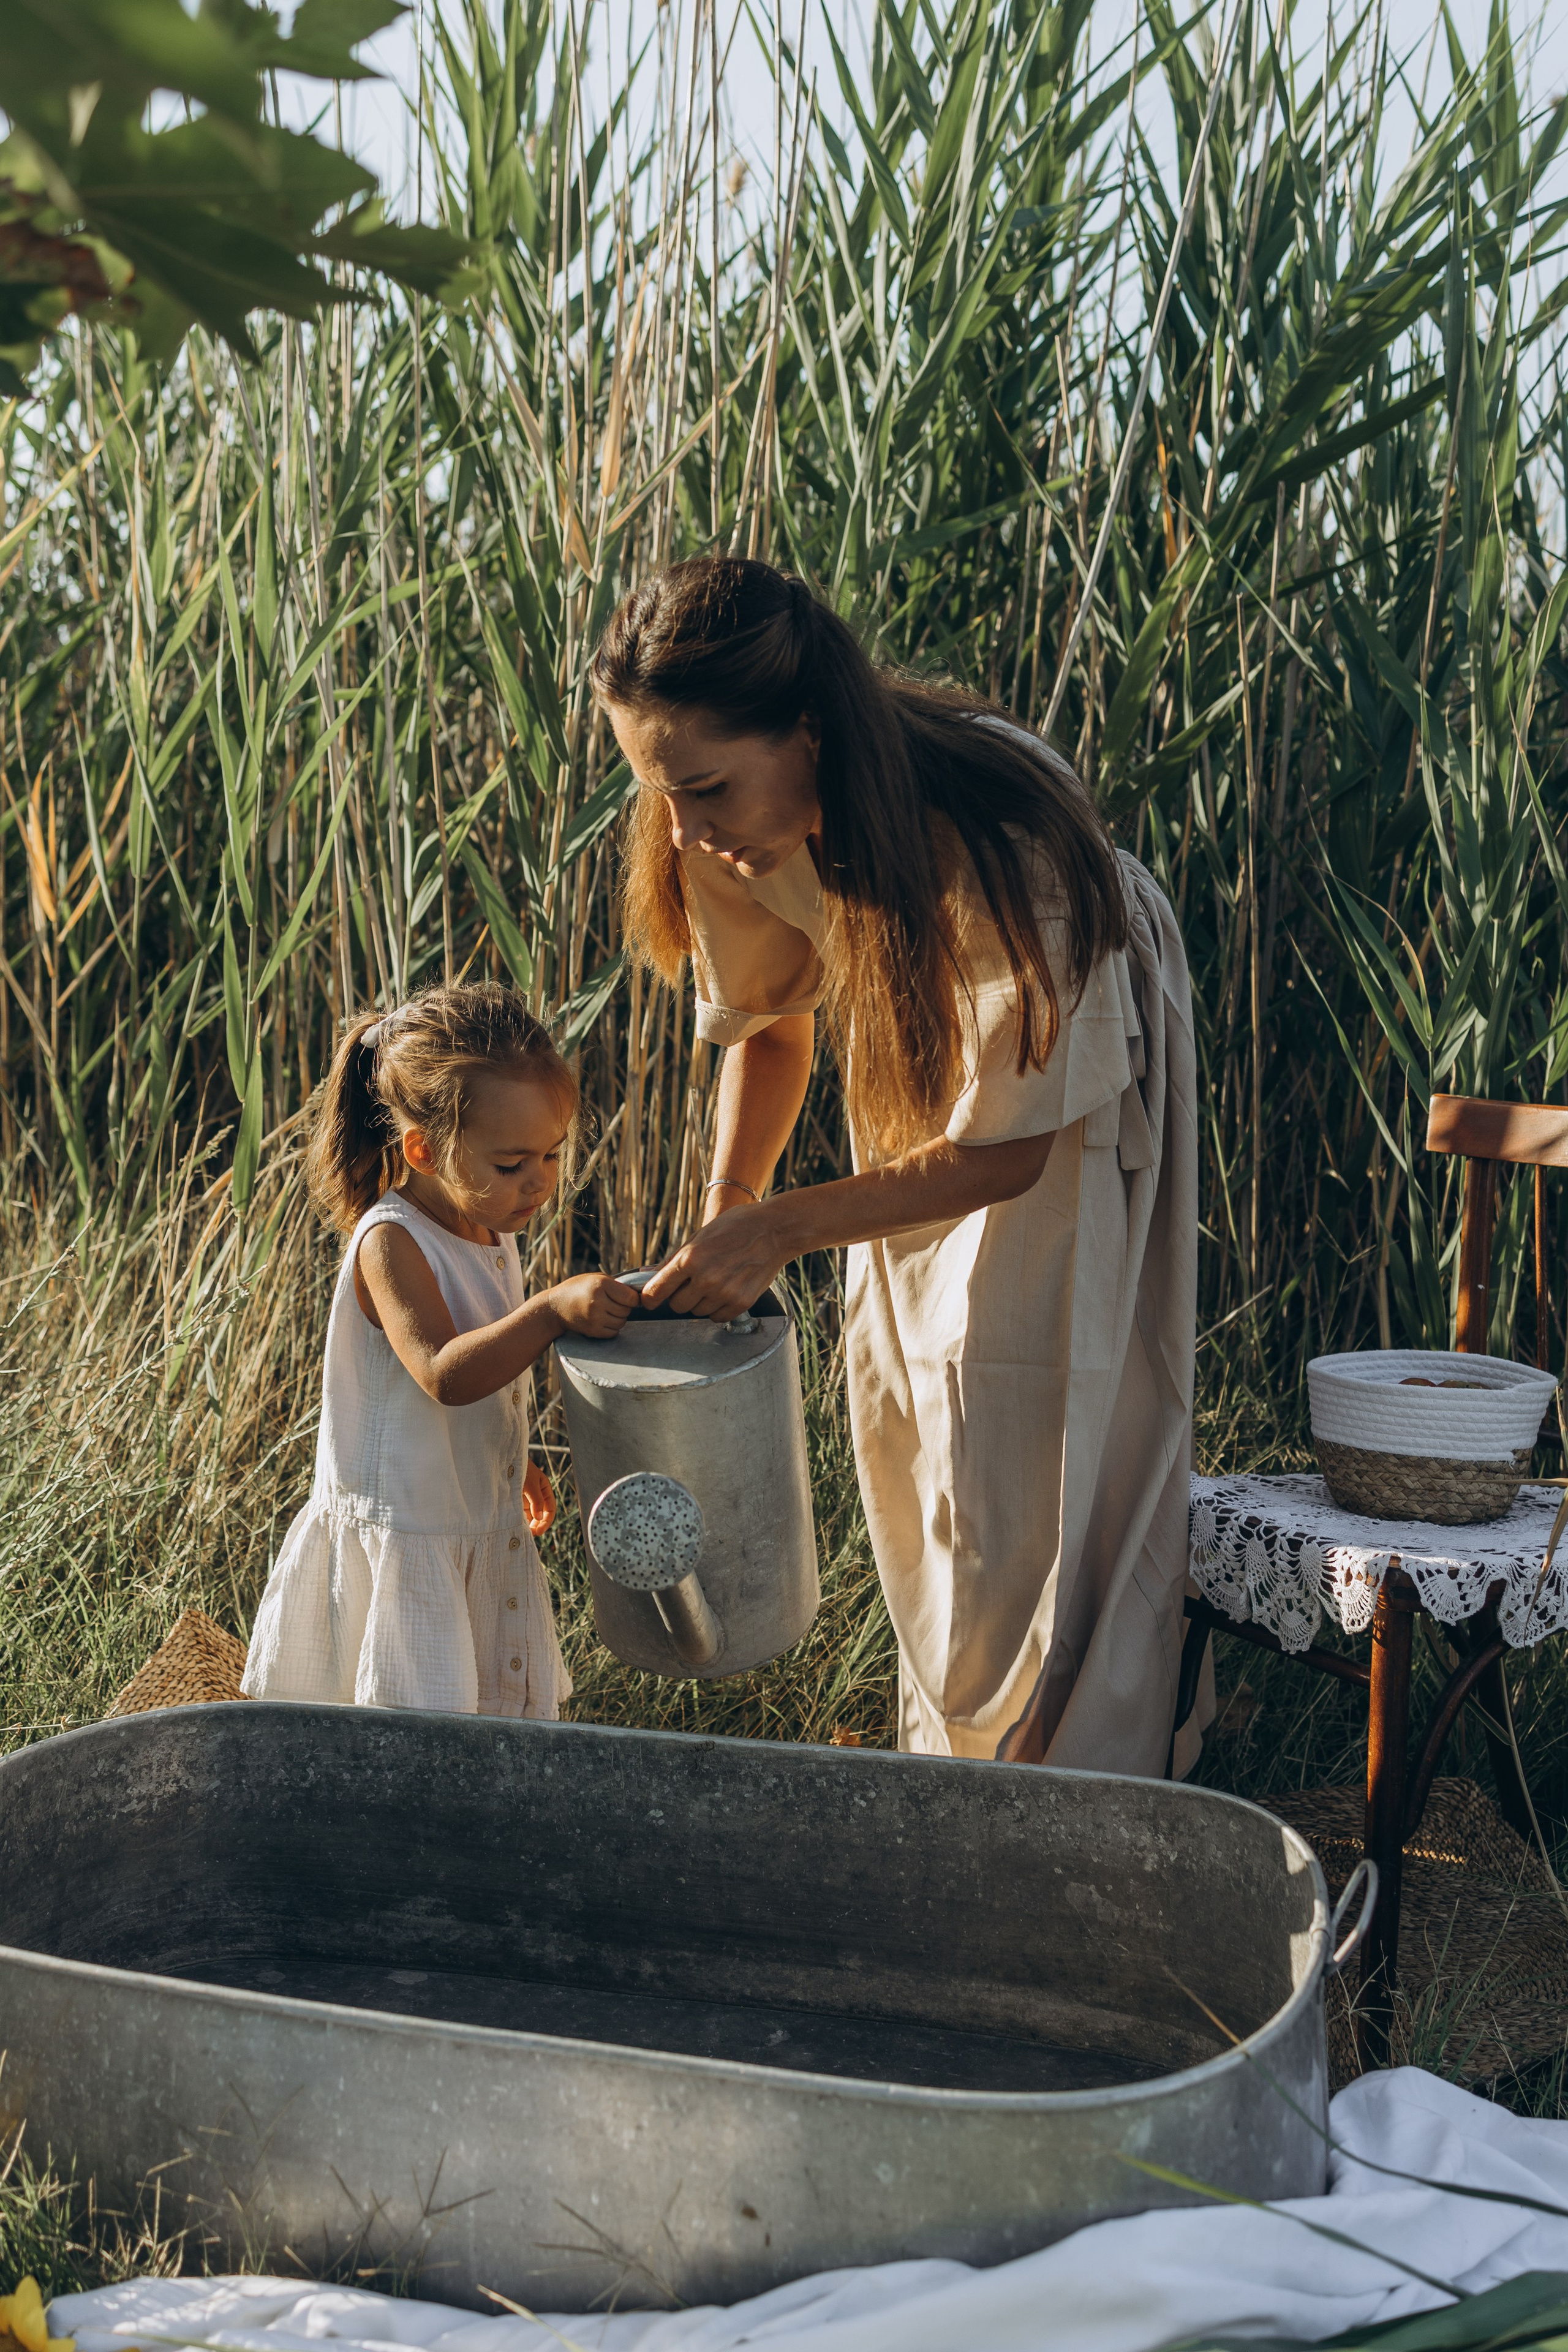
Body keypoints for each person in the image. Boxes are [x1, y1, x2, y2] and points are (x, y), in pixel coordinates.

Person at [591, 558, 1201, 1774]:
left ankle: (1076, 1796)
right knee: (920, 1404)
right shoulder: (717, 820)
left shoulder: (1003, 831)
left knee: (1036, 1423)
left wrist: (779, 1233)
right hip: (922, 1069)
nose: (683, 830)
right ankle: (959, 1778)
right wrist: (732, 1209)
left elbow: (1008, 1150)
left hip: (1061, 1089)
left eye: (704, 788)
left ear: (807, 735)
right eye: (658, 792)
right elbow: (768, 1024)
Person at [243, 983, 638, 1718]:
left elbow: (481, 1380)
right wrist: (550, 1311)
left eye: (552, 1155)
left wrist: (506, 1458)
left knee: (478, 1722)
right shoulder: (390, 1241)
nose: (540, 1181)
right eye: (513, 1161)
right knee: (412, 1728)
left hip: (467, 1518)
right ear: (424, 1149)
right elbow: (441, 1374)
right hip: (409, 1533)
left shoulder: (492, 1232)